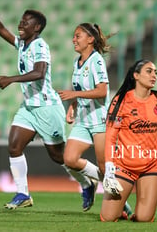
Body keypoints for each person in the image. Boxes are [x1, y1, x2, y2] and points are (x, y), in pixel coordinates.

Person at [0, 0, 90, 209]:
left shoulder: (40, 45)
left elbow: (39, 73)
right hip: (29, 107)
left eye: (26, 22)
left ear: (36, 28)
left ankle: (87, 183)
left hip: (47, 107)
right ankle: (23, 194)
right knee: (14, 146)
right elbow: (0, 30)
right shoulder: (23, 44)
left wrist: (11, 79)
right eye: (21, 20)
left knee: (61, 158)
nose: (21, 23)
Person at [100, 59, 157, 222]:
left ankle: (132, 208)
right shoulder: (121, 101)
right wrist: (109, 171)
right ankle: (120, 207)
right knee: (108, 217)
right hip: (124, 165)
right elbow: (111, 138)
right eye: (149, 71)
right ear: (136, 75)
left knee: (144, 218)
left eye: (155, 72)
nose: (154, 75)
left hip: (151, 165)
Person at [58, 23, 131, 214]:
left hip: (99, 120)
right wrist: (72, 107)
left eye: (78, 36)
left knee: (104, 166)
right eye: (74, 36)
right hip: (83, 119)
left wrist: (74, 96)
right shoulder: (77, 61)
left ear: (90, 39)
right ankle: (89, 184)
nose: (74, 39)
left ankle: (124, 205)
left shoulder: (96, 60)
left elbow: (102, 91)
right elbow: (78, 90)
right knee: (69, 159)